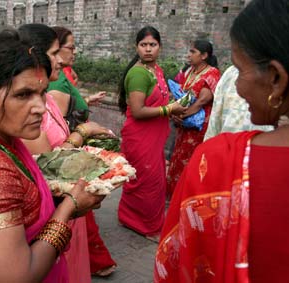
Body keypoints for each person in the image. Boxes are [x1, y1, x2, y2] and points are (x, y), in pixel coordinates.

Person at [0, 30, 104, 283]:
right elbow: (18, 276)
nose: (40, 107)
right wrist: (70, 208)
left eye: (41, 93)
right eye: (23, 95)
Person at [155, 1, 289, 282]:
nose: (236, 86)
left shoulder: (219, 162)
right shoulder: (189, 73)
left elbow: (176, 262)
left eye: (240, 71)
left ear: (276, 78)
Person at [18, 23, 115, 282]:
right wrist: (83, 132)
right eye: (54, 52)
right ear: (35, 55)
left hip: (70, 200)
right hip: (55, 205)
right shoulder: (31, 107)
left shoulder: (46, 98)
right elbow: (48, 162)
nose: (61, 59)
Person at [117, 26, 187, 238]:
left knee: (153, 181)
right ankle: (140, 224)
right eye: (143, 45)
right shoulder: (139, 73)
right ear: (136, 47)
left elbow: (158, 102)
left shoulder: (155, 70)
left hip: (154, 137)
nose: (148, 49)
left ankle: (135, 219)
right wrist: (169, 109)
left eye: (152, 45)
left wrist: (170, 113)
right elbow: (138, 111)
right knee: (147, 183)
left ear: (160, 47)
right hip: (140, 138)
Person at [167, 39, 221, 196]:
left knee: (191, 160)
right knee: (178, 157)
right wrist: (175, 114)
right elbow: (179, 94)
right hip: (184, 124)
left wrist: (181, 115)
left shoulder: (212, 73)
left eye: (193, 52)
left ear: (204, 55)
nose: (189, 55)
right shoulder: (189, 72)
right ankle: (176, 194)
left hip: (198, 127)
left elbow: (202, 101)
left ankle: (188, 196)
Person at [47, 26, 106, 128]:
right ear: (56, 48)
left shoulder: (60, 75)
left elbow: (70, 107)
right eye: (71, 48)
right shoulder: (56, 81)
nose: (74, 52)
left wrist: (87, 100)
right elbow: (60, 130)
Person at [204, 65, 274, 141]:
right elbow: (215, 116)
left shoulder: (277, 76)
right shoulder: (231, 73)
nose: (237, 83)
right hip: (228, 144)